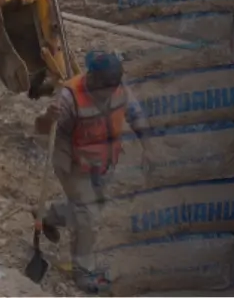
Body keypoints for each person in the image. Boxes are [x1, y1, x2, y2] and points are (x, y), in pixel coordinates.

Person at [47, 50, 146, 293]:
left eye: (112, 87)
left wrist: (150, 140)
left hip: (104, 163)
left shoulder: (119, 88)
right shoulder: (69, 98)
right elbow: (47, 131)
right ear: (91, 78)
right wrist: (48, 120)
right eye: (104, 88)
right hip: (73, 164)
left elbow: (135, 114)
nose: (108, 93)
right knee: (88, 217)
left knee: (92, 208)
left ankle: (50, 216)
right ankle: (83, 271)